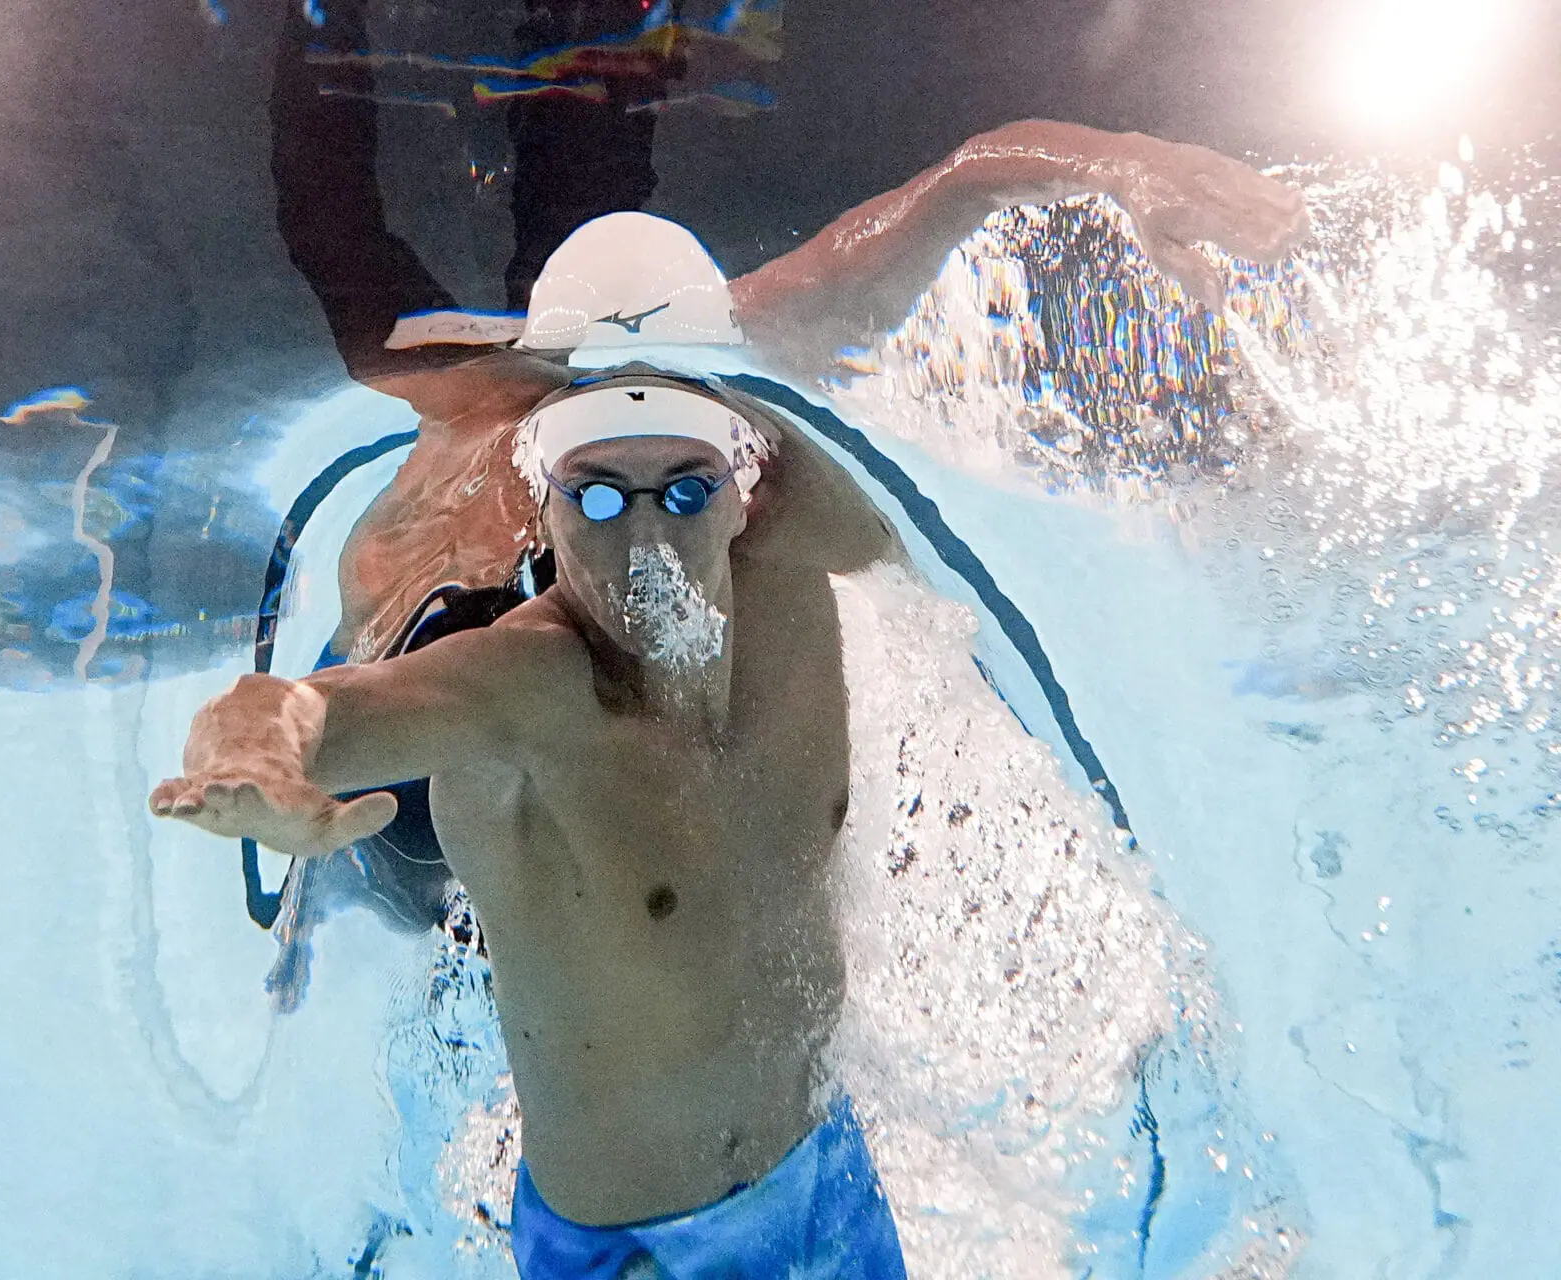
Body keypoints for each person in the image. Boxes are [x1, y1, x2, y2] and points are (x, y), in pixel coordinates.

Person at [156, 11, 1310, 1273]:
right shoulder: (493, 533)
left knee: (562, 217)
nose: (644, 521)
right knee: (372, 295)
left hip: (795, 1158)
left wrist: (1126, 170)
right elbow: (309, 707)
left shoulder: (737, 406)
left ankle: (580, 44)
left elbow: (948, 192)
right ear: (552, 495)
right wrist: (262, 756)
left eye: (681, 485)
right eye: (597, 492)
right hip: (429, 772)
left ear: (734, 468)